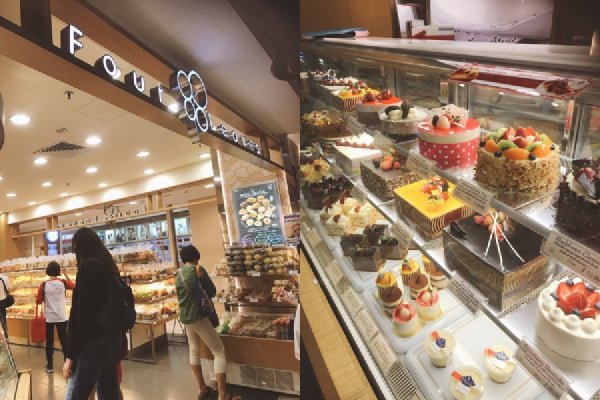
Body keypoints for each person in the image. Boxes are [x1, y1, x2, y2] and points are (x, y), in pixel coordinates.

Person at [63, 227, 122, 400]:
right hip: (112, 339)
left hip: (93, 343)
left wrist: (71, 355)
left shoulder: (87, 269)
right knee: (109, 390)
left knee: (77, 393)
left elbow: (80, 315)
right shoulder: (109, 266)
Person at [176, 245, 240, 400]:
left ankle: (201, 388)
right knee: (218, 351)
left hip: (185, 317)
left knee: (193, 350)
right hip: (200, 316)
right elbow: (211, 291)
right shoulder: (197, 270)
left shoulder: (178, 273)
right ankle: (222, 394)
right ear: (196, 257)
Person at [36, 261, 75, 373]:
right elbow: (73, 285)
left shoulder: (43, 285)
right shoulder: (63, 282)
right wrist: (66, 274)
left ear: (48, 271)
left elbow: (38, 301)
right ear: (58, 271)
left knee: (49, 342)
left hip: (49, 317)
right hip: (62, 316)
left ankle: (50, 366)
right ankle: (67, 365)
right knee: (64, 341)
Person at [0, 273, 10, 338]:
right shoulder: (4, 277)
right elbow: (9, 289)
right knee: (3, 322)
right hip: (2, 303)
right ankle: (6, 339)